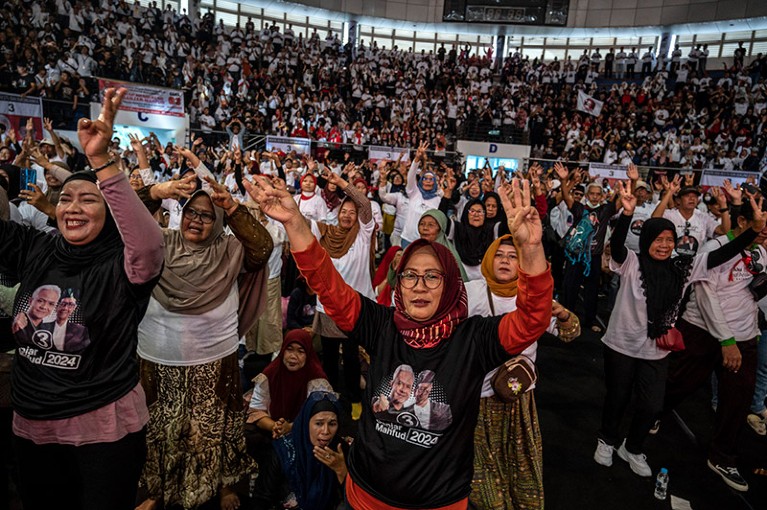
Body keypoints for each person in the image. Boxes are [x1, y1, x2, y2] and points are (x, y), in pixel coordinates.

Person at [245, 176, 553, 508]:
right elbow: (327, 284)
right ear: (400, 284)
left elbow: (533, 319)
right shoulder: (384, 325)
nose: (419, 286)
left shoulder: (474, 339)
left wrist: (531, 249)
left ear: (451, 285)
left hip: (439, 502)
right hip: (363, 495)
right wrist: (294, 222)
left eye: (432, 276)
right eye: (410, 275)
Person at [2, 87, 164, 510]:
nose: (74, 207)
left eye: (88, 199)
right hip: (30, 423)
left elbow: (148, 245)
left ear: (109, 213)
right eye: (67, 198)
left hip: (101, 431)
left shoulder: (123, 265)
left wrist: (101, 162)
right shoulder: (36, 248)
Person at [594, 181, 765, 479]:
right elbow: (619, 245)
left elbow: (723, 255)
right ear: (646, 240)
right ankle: (607, 440)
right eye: (657, 239)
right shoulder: (632, 262)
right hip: (621, 345)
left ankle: (632, 447)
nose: (663, 245)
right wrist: (626, 213)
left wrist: (753, 230)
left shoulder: (683, 267)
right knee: (617, 398)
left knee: (651, 406)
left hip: (656, 351)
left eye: (669, 240)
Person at [135, 153, 273, 510]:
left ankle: (223, 484)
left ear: (219, 221)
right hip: (157, 357)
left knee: (214, 427)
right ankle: (156, 490)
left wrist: (236, 207)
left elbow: (263, 246)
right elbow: (125, 221)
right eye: (192, 212)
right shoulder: (160, 243)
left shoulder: (230, 250)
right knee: (161, 427)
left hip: (214, 358)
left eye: (207, 215)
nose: (197, 220)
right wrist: (156, 190)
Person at [467, 235, 580, 510]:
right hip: (475, 397)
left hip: (518, 397)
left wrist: (562, 313)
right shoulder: (471, 292)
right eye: (499, 255)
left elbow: (571, 332)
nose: (505, 261)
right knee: (480, 467)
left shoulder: (531, 296)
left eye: (512, 256)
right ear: (488, 259)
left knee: (519, 459)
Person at [249, 391, 348, 510]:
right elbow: (261, 500)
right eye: (319, 423)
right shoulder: (281, 452)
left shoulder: (340, 451)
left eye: (332, 424)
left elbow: (354, 499)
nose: (326, 431)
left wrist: (341, 470)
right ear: (306, 424)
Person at [247, 329, 332, 438]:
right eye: (289, 350)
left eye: (300, 351)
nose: (293, 356)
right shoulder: (271, 373)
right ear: (282, 351)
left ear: (308, 354)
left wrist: (291, 427)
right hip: (274, 430)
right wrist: (275, 427)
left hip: (306, 432)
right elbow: (256, 410)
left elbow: (321, 415)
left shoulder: (316, 379)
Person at [418, 209, 468, 281]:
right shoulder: (412, 250)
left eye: (431, 225)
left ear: (441, 228)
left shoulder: (449, 255)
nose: (425, 228)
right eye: (422, 224)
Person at [39, 288, 90, 353]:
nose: (65, 308)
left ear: (74, 308)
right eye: (63, 303)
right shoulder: (41, 327)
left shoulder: (81, 332)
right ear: (57, 305)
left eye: (70, 305)